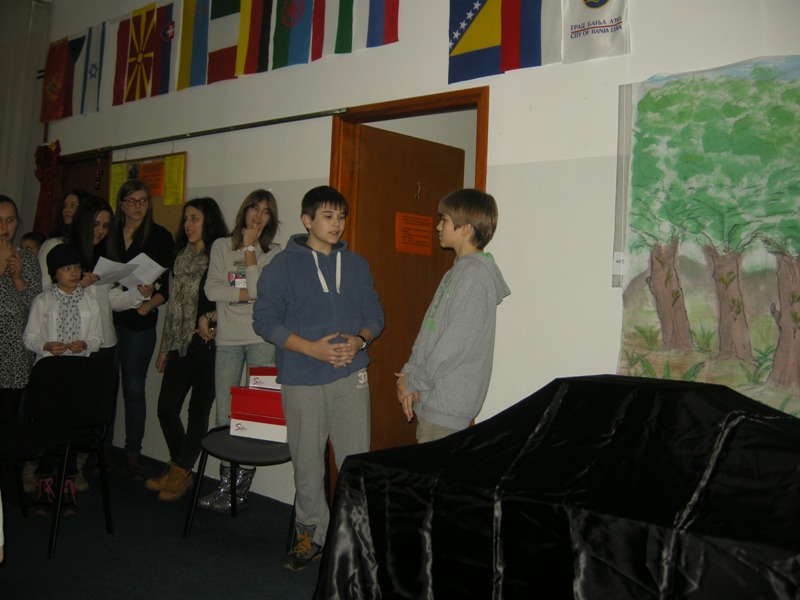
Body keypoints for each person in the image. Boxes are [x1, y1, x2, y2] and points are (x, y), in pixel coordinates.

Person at [253, 185, 384, 571]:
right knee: (308, 462)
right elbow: (265, 321)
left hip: (351, 374)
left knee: (355, 461)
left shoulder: (356, 264)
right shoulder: (282, 267)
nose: (337, 224)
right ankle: (310, 536)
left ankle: (354, 536)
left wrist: (361, 340)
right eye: (328, 216)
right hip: (303, 376)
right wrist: (312, 349)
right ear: (307, 220)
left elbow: (375, 314)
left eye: (341, 217)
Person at [395, 188, 510, 443]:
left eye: (444, 220)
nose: (438, 226)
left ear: (466, 229)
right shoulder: (457, 272)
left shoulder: (475, 276)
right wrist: (409, 374)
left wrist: (414, 382)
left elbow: (453, 345)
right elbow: (429, 331)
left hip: (446, 408)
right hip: (432, 398)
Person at [201, 189, 281, 511]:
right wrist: (246, 294)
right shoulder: (221, 246)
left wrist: (250, 249)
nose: (258, 215)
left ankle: (240, 487)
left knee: (255, 414)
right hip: (228, 339)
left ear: (271, 219)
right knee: (224, 413)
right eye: (254, 208)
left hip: (261, 339)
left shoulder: (274, 253)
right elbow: (211, 289)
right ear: (245, 211)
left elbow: (262, 289)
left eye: (266, 211)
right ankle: (226, 484)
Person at [145, 198, 228, 501]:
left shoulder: (220, 257)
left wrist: (214, 320)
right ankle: (181, 468)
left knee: (198, 412)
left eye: (195, 219)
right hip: (180, 343)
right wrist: (164, 348)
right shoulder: (179, 258)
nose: (188, 225)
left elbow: (231, 300)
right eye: (186, 219)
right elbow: (174, 307)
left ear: (209, 221)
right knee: (166, 408)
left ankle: (179, 472)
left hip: (209, 346)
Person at [22, 242, 103, 514]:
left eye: (77, 267)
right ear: (54, 273)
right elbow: (30, 337)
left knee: (72, 429)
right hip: (50, 373)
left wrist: (85, 344)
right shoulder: (43, 301)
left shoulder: (90, 301)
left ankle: (67, 482)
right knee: (48, 428)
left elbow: (98, 338)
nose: (73, 273)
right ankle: (45, 482)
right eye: (66, 268)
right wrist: (46, 345)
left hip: (78, 373)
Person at [113, 179, 174, 479]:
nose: (138, 206)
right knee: (102, 385)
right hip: (106, 318)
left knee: (134, 389)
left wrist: (148, 305)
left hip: (139, 321)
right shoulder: (109, 233)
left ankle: (133, 452)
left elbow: (168, 287)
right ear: (121, 204)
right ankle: (96, 447)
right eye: (131, 201)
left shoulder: (159, 236)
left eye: (143, 201)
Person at [0, 195, 41, 424]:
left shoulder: (27, 258)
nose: (4, 227)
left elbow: (36, 306)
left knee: (7, 423)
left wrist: (18, 279)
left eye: (10, 220)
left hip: (13, 354)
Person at [38, 189, 89, 277]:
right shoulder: (54, 243)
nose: (66, 210)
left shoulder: (87, 243)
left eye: (73, 206)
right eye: (65, 206)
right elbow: (42, 280)